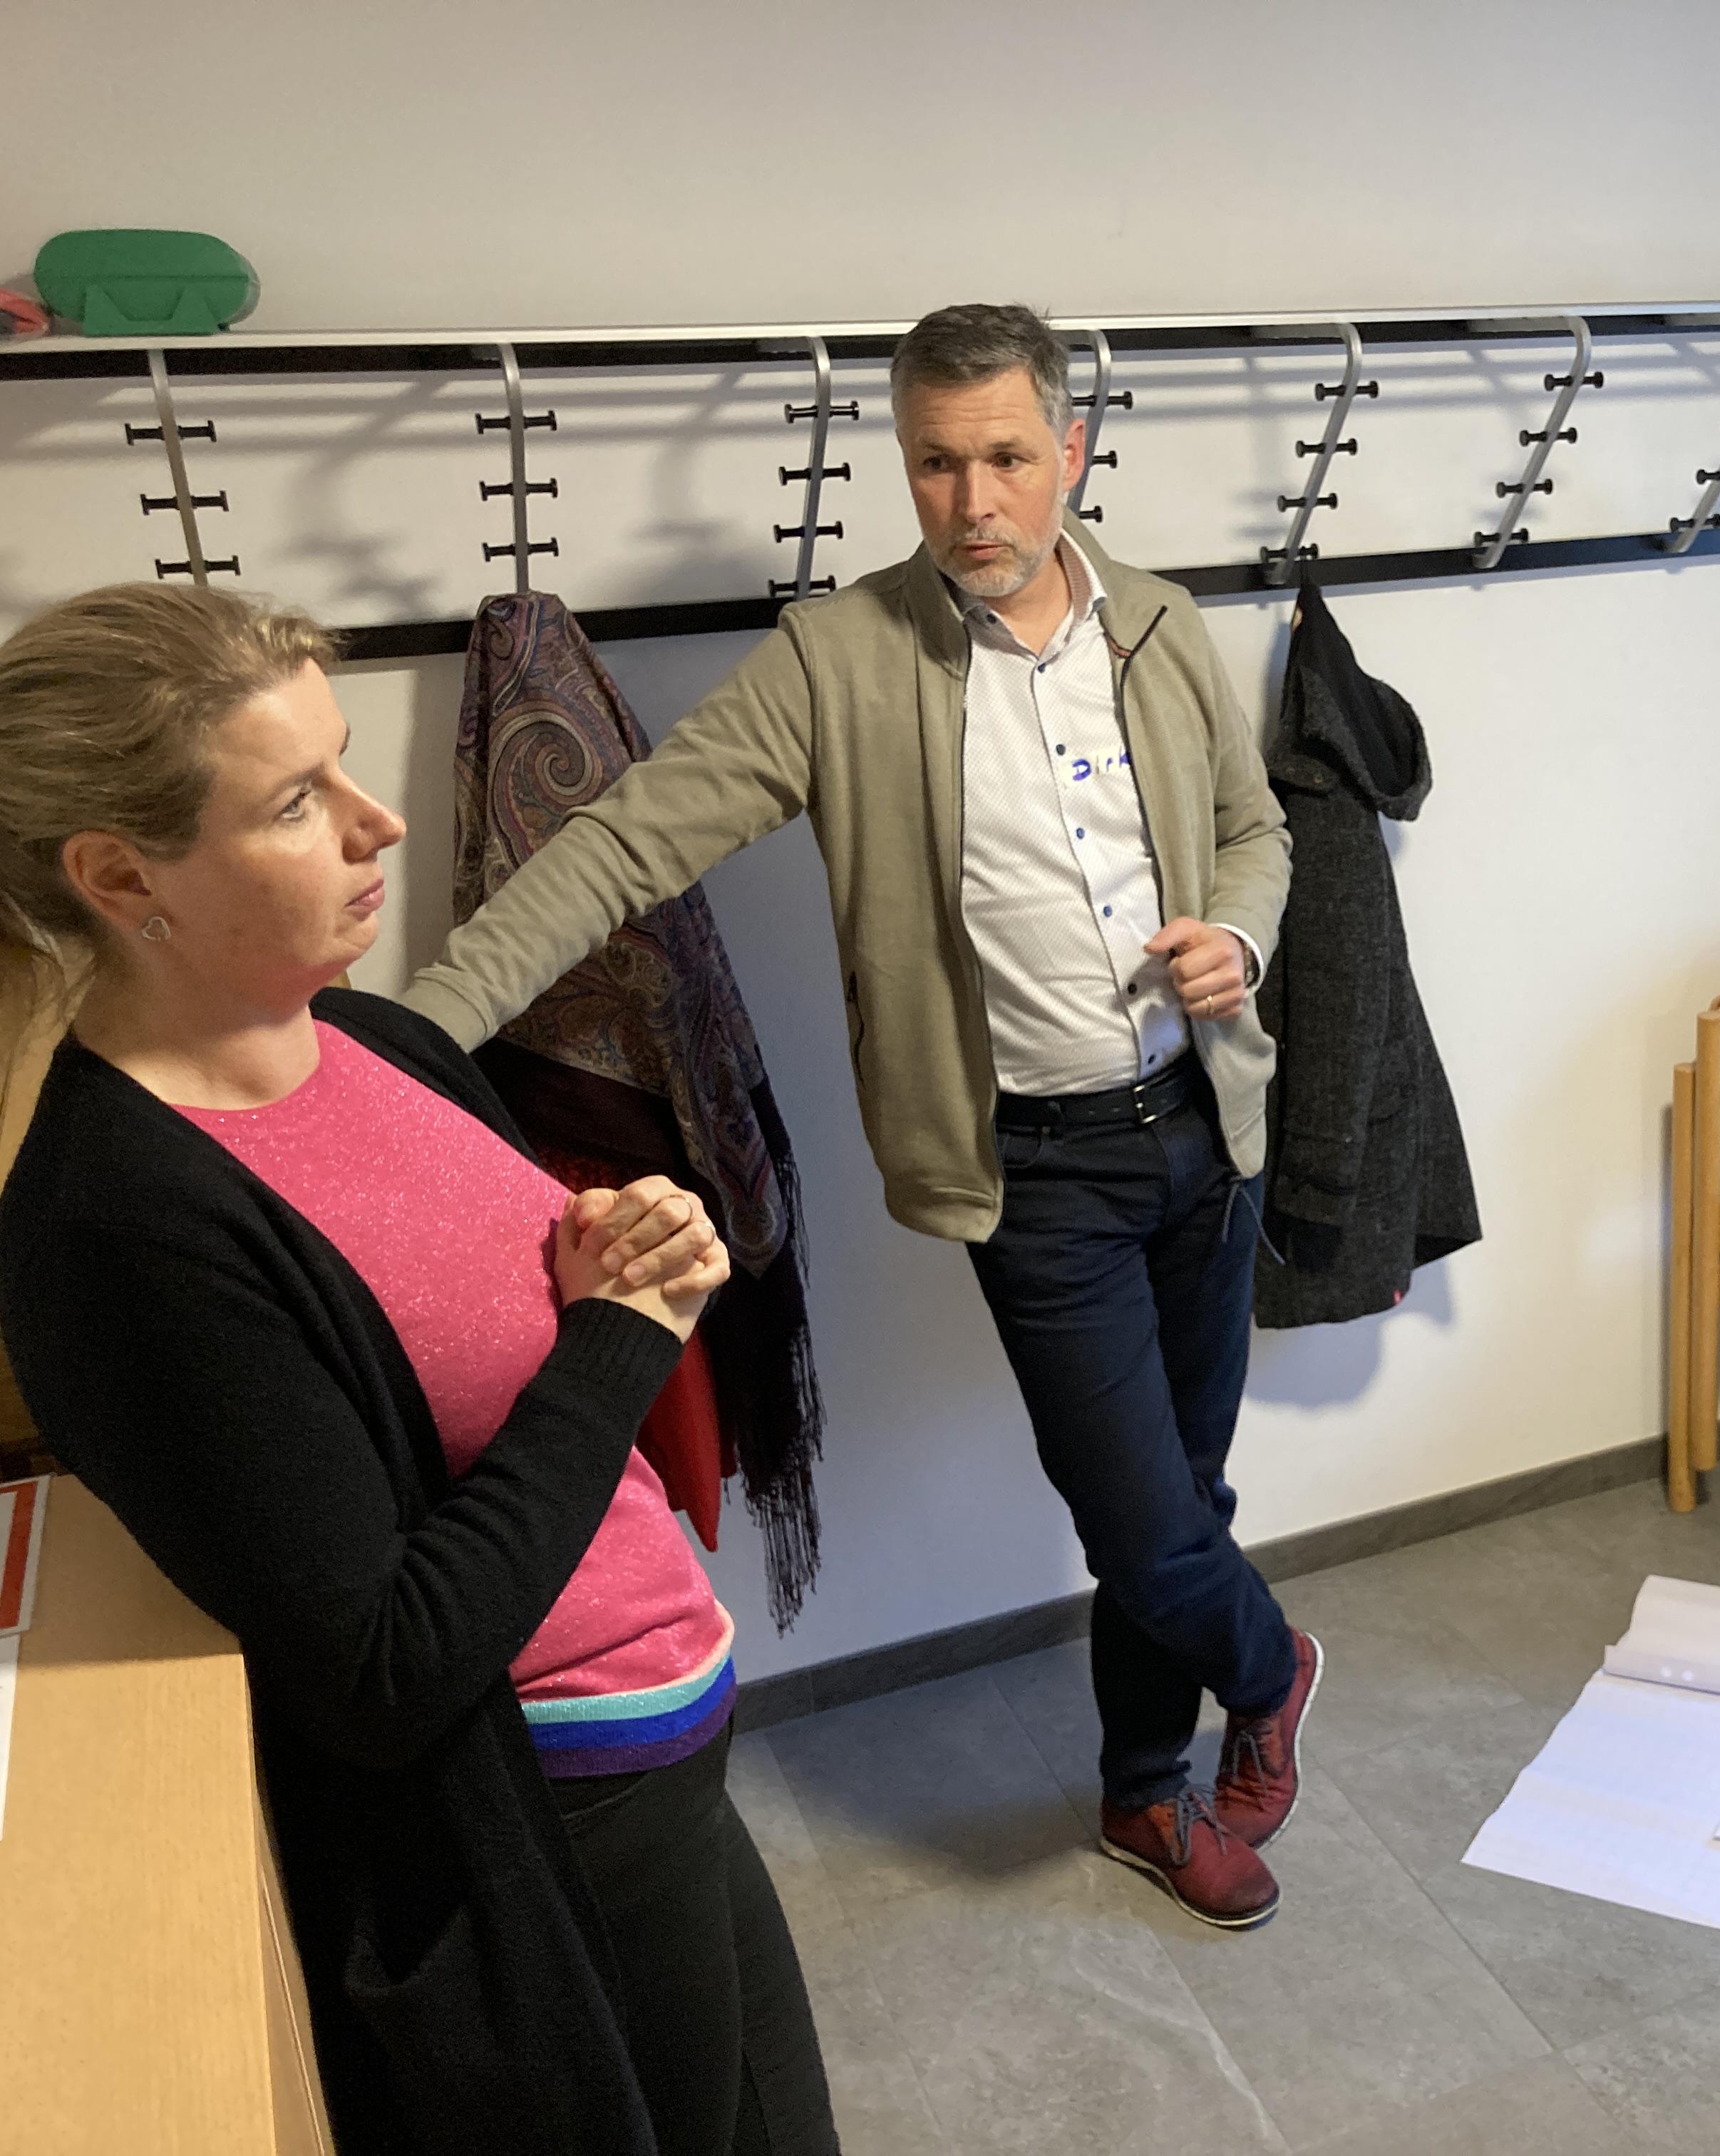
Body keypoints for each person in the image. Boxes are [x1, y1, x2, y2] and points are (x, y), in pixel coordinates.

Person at [399, 303, 1321, 1930]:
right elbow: (623, 846)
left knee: (1183, 1498)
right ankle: (1272, 1662)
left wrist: (1236, 936)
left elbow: (1259, 835)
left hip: (1205, 1130)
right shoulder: (838, 663)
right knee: (1141, 1517)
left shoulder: (1163, 627)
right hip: (1035, 1173)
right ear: (904, 464)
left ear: (1070, 450)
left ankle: (1142, 1791)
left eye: (1008, 458)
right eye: (937, 463)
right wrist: (406, 1037)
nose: (975, 501)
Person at [0, 584, 840, 2155]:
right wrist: (619, 1338)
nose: (376, 821)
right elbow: (381, 1669)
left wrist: (627, 1249)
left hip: (666, 1730)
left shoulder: (378, 1041)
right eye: (297, 800)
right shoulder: (121, 1226)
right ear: (120, 876)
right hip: (548, 1818)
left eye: (343, 766)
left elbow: (511, 1328)